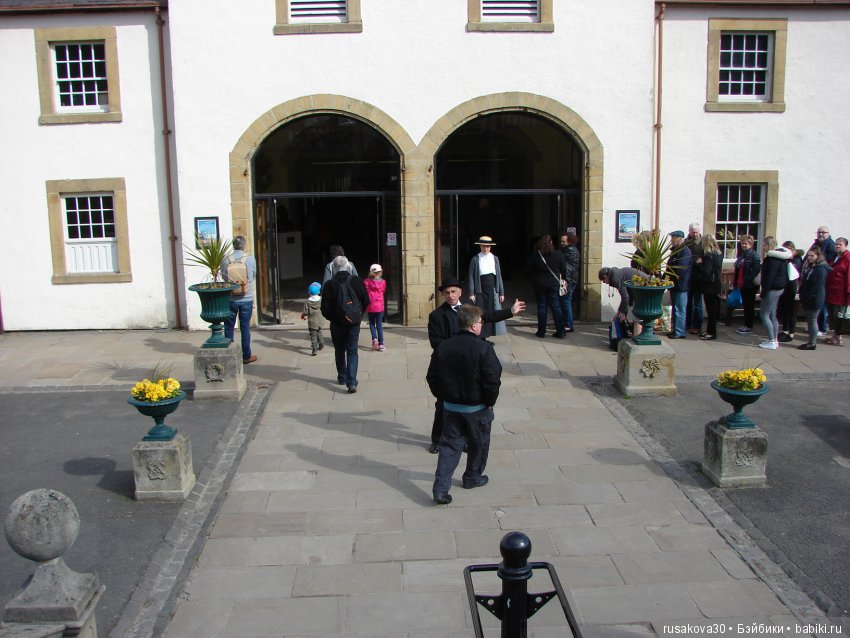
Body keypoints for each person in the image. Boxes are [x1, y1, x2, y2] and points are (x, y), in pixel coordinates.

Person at [426, 276, 524, 454]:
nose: (450, 295)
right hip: (448, 364)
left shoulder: (469, 311)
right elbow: (436, 342)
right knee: (442, 405)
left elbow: (490, 315)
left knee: (467, 405)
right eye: (447, 293)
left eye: (453, 291)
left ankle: (463, 439)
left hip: (469, 364)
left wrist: (510, 311)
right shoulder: (437, 316)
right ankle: (437, 439)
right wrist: (455, 349)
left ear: (460, 292)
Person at [427, 305, 502, 505]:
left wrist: (443, 396)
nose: (481, 326)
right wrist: (489, 402)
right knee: (478, 444)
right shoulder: (484, 348)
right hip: (477, 409)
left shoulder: (443, 346)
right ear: (473, 325)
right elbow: (493, 379)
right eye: (480, 322)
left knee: (449, 447)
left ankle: (441, 489)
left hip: (451, 407)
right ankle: (472, 477)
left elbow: (431, 376)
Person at [320, 256, 369, 393]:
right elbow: (366, 300)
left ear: (334, 268)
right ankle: (351, 382)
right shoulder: (356, 281)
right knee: (352, 351)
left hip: (336, 323)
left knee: (339, 350)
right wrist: (358, 314)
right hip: (353, 322)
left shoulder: (329, 284)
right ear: (348, 266)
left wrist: (333, 317)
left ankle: (342, 376)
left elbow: (324, 308)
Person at [222, 235, 258, 364]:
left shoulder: (226, 259)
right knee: (245, 328)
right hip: (246, 299)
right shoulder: (250, 259)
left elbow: (224, 277)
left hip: (231, 299)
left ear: (233, 245)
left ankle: (229, 354)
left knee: (229, 327)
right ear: (244, 245)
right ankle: (246, 356)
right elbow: (253, 276)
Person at [526, 235, 567, 338]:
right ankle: (561, 331)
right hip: (553, 284)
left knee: (542, 307)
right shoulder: (558, 254)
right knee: (556, 306)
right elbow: (564, 269)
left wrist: (531, 278)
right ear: (552, 243)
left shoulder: (535, 255)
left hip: (539, 284)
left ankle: (541, 332)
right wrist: (563, 278)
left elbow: (529, 268)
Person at [468, 236, 505, 338]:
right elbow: (471, 276)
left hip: (492, 289)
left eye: (488, 246)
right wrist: (471, 293)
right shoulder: (475, 259)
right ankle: (480, 335)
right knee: (480, 313)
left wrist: (501, 292)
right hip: (480, 289)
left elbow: (499, 276)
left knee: (490, 313)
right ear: (480, 246)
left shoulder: (495, 258)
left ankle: (487, 335)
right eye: (484, 246)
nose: (486, 248)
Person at [757, 237, 791, 350]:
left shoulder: (772, 259)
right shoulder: (779, 258)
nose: (763, 247)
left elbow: (769, 278)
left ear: (769, 245)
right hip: (778, 289)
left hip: (772, 290)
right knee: (772, 315)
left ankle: (772, 340)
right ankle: (774, 340)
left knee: (764, 314)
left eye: (764, 245)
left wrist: (763, 293)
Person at [797, 246, 829, 351]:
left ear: (818, 256)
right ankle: (810, 342)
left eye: (812, 256)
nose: (809, 258)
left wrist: (808, 298)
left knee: (812, 320)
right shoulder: (813, 266)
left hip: (814, 298)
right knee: (810, 321)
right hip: (808, 297)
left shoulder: (821, 269)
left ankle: (812, 343)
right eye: (809, 255)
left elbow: (816, 286)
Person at [598, 266, 645, 335]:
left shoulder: (615, 278)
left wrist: (623, 313)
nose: (604, 283)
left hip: (643, 288)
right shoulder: (615, 274)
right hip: (639, 288)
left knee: (638, 316)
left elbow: (625, 297)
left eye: (603, 280)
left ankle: (638, 337)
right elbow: (625, 297)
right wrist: (618, 312)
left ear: (606, 276)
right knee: (638, 316)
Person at [693, 234, 723, 340]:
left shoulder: (708, 255)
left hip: (709, 286)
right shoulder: (718, 253)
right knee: (712, 310)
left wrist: (698, 264)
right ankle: (709, 331)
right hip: (716, 284)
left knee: (711, 311)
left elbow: (707, 271)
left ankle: (711, 332)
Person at [665, 230, 692, 339]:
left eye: (673, 237)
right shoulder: (677, 250)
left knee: (679, 309)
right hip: (675, 285)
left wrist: (671, 279)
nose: (671, 240)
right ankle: (676, 330)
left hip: (681, 285)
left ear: (679, 239)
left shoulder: (684, 252)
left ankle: (679, 332)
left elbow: (681, 270)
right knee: (676, 308)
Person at [824, 237, 850, 346]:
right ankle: (835, 335)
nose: (837, 246)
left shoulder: (847, 258)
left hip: (841, 294)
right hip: (832, 292)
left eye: (840, 244)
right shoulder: (836, 257)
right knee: (833, 315)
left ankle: (838, 338)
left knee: (838, 316)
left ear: (846, 246)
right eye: (836, 244)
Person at [809, 227, 836, 334]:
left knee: (822, 303)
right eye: (819, 232)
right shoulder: (816, 243)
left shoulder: (830, 245)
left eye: (823, 232)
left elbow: (829, 259)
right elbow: (808, 255)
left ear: (828, 234)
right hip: (815, 273)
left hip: (824, 276)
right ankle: (816, 326)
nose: (821, 234)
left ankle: (822, 328)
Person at [734, 235, 761, 335]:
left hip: (750, 285)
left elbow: (756, 269)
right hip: (742, 284)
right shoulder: (742, 255)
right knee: (746, 306)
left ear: (751, 244)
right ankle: (746, 325)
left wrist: (748, 279)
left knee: (749, 306)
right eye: (742, 244)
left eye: (746, 244)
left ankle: (749, 326)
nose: (743, 245)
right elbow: (737, 267)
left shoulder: (754, 255)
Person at [778, 241, 803, 343]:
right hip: (784, 287)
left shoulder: (796, 259)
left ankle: (791, 333)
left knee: (791, 311)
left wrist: (787, 262)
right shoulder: (786, 259)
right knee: (783, 310)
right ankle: (784, 330)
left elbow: (794, 272)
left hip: (791, 288)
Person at [558, 231, 580, 333]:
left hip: (569, 280)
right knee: (565, 302)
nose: (562, 243)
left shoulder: (569, 250)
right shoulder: (571, 249)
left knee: (566, 302)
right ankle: (567, 323)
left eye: (564, 241)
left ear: (569, 241)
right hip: (570, 279)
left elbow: (559, 259)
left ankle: (568, 325)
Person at [685, 223, 704, 334]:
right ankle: (687, 324)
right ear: (689, 231)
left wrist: (699, 262)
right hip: (688, 276)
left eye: (696, 232)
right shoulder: (686, 242)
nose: (695, 234)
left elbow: (704, 259)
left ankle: (697, 326)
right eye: (693, 232)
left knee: (697, 303)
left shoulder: (703, 243)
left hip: (698, 277)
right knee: (687, 302)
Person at [364, 263, 387, 351]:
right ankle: (381, 344)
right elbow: (383, 291)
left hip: (371, 306)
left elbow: (365, 291)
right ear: (380, 272)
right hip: (380, 306)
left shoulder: (366, 281)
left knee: (372, 324)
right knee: (379, 325)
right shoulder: (383, 282)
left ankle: (374, 339)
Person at [300, 281, 325, 356]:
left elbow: (305, 312)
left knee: (313, 335)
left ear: (309, 292)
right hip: (320, 321)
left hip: (312, 322)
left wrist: (303, 316)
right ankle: (321, 344)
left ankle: (314, 349)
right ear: (319, 292)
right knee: (319, 333)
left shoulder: (307, 301)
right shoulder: (321, 300)